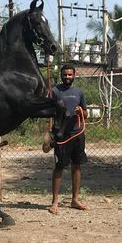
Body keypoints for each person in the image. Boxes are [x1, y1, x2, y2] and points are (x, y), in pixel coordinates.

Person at [48, 64, 89, 214]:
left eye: (70, 75)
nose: (67, 77)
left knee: (77, 165)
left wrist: (81, 111)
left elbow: (86, 114)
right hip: (61, 135)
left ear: (74, 75)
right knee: (59, 167)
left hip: (77, 134)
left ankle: (75, 200)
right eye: (65, 75)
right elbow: (49, 112)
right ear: (61, 75)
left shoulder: (79, 92)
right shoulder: (54, 91)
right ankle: (54, 202)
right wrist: (51, 134)